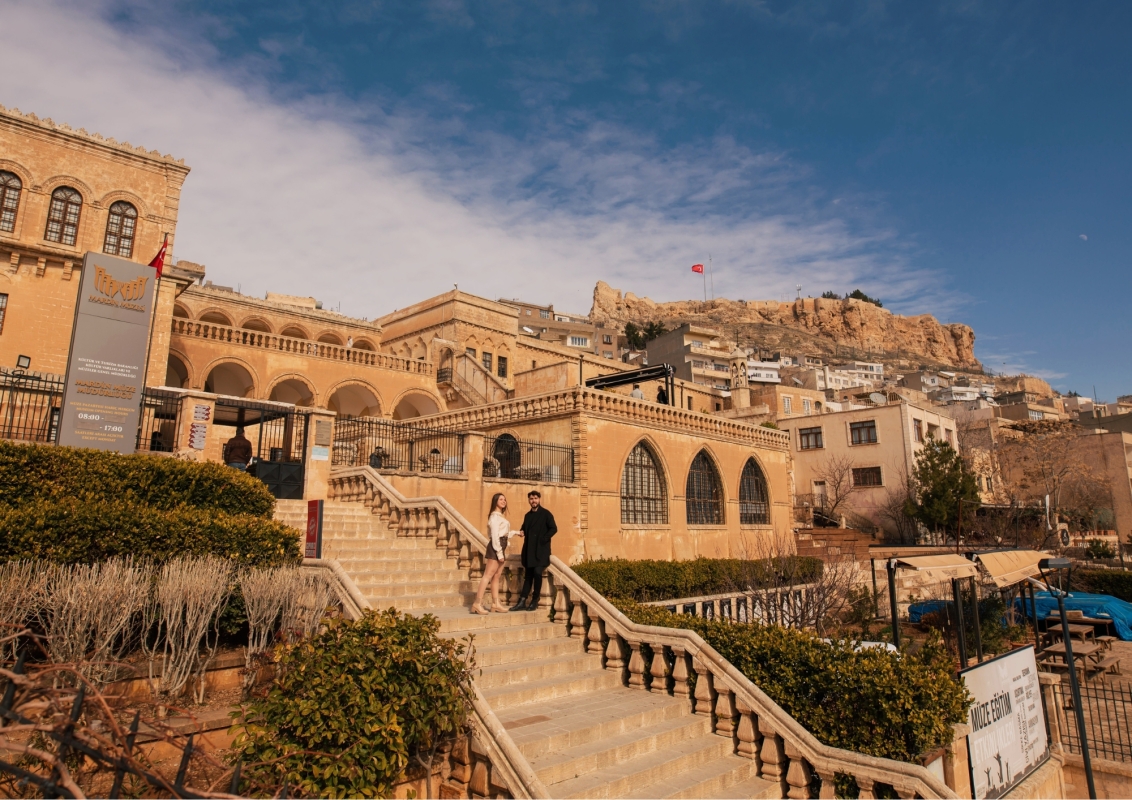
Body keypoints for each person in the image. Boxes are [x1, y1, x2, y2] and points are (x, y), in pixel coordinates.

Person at [510, 490, 557, 611]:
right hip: (529, 550)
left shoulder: (546, 514)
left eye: (535, 498)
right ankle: (522, 601)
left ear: (539, 499)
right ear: (529, 501)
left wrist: (544, 539)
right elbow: (524, 528)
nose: (533, 501)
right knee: (528, 575)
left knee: (537, 572)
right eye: (531, 499)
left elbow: (553, 528)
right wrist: (521, 532)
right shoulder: (527, 515)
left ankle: (535, 600)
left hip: (541, 551)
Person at [471, 493, 517, 615]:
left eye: (505, 499)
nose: (504, 501)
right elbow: (495, 536)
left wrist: (516, 533)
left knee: (497, 576)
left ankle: (495, 603)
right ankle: (477, 603)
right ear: (495, 501)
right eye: (501, 499)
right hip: (496, 547)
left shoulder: (500, 516)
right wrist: (499, 553)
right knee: (488, 575)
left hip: (501, 546)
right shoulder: (494, 517)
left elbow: (504, 534)